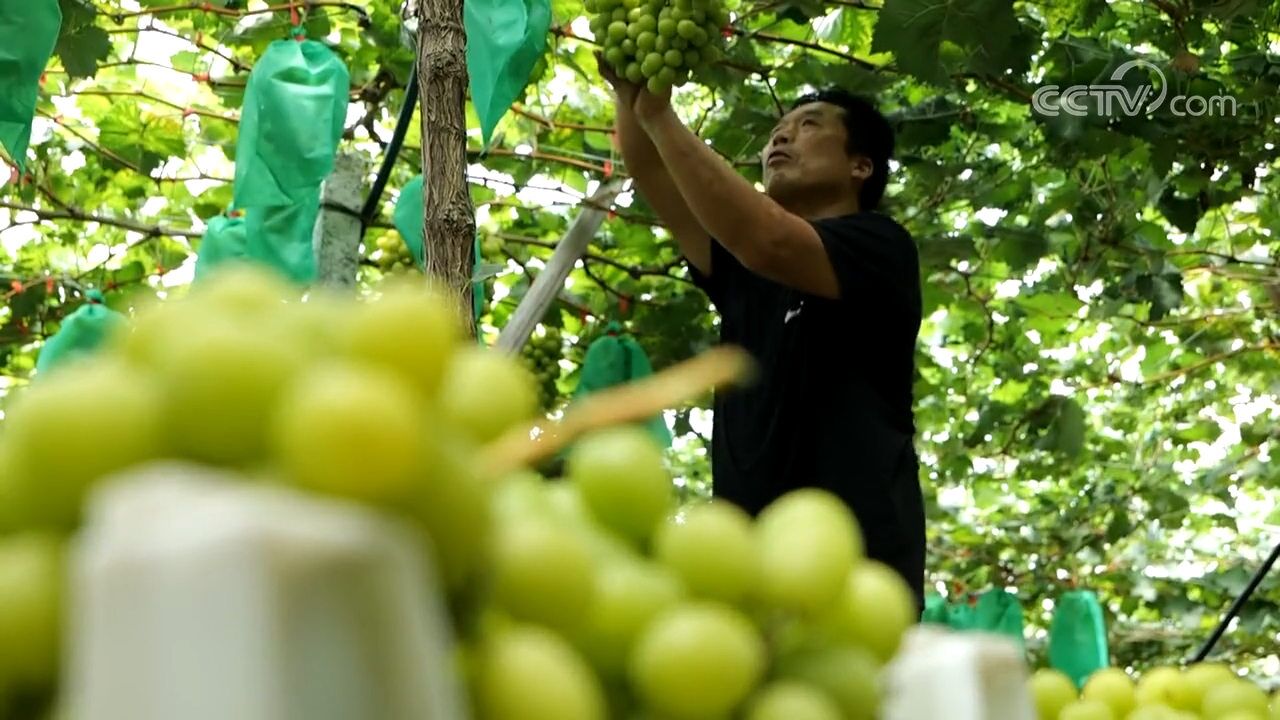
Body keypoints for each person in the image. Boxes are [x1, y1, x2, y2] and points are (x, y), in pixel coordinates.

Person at [599, 58, 926, 611]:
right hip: (745, 573)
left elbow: (769, 240)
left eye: (810, 125)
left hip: (859, 572)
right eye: (779, 129)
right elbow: (652, 171)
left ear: (861, 167)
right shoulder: (741, 272)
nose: (782, 135)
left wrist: (658, 111)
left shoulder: (879, 246)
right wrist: (631, 92)